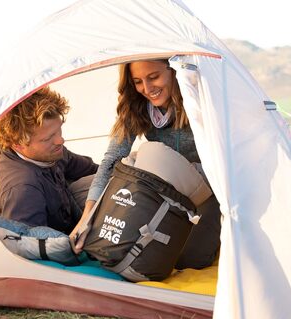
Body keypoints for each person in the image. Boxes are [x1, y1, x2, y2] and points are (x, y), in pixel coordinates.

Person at [70, 59, 220, 270]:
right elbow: (113, 157)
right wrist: (88, 215)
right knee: (79, 194)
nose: (147, 89)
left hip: (202, 190)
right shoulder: (136, 105)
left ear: (173, 71)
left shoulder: (201, 100)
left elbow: (226, 160)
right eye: (138, 81)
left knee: (192, 259)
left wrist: (187, 171)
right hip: (157, 189)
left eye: (153, 77)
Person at [0, 86, 98, 238]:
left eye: (58, 130)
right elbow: (32, 251)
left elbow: (92, 169)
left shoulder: (49, 150)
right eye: (48, 138)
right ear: (18, 144)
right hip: (63, 246)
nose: (60, 140)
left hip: (72, 217)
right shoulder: (22, 189)